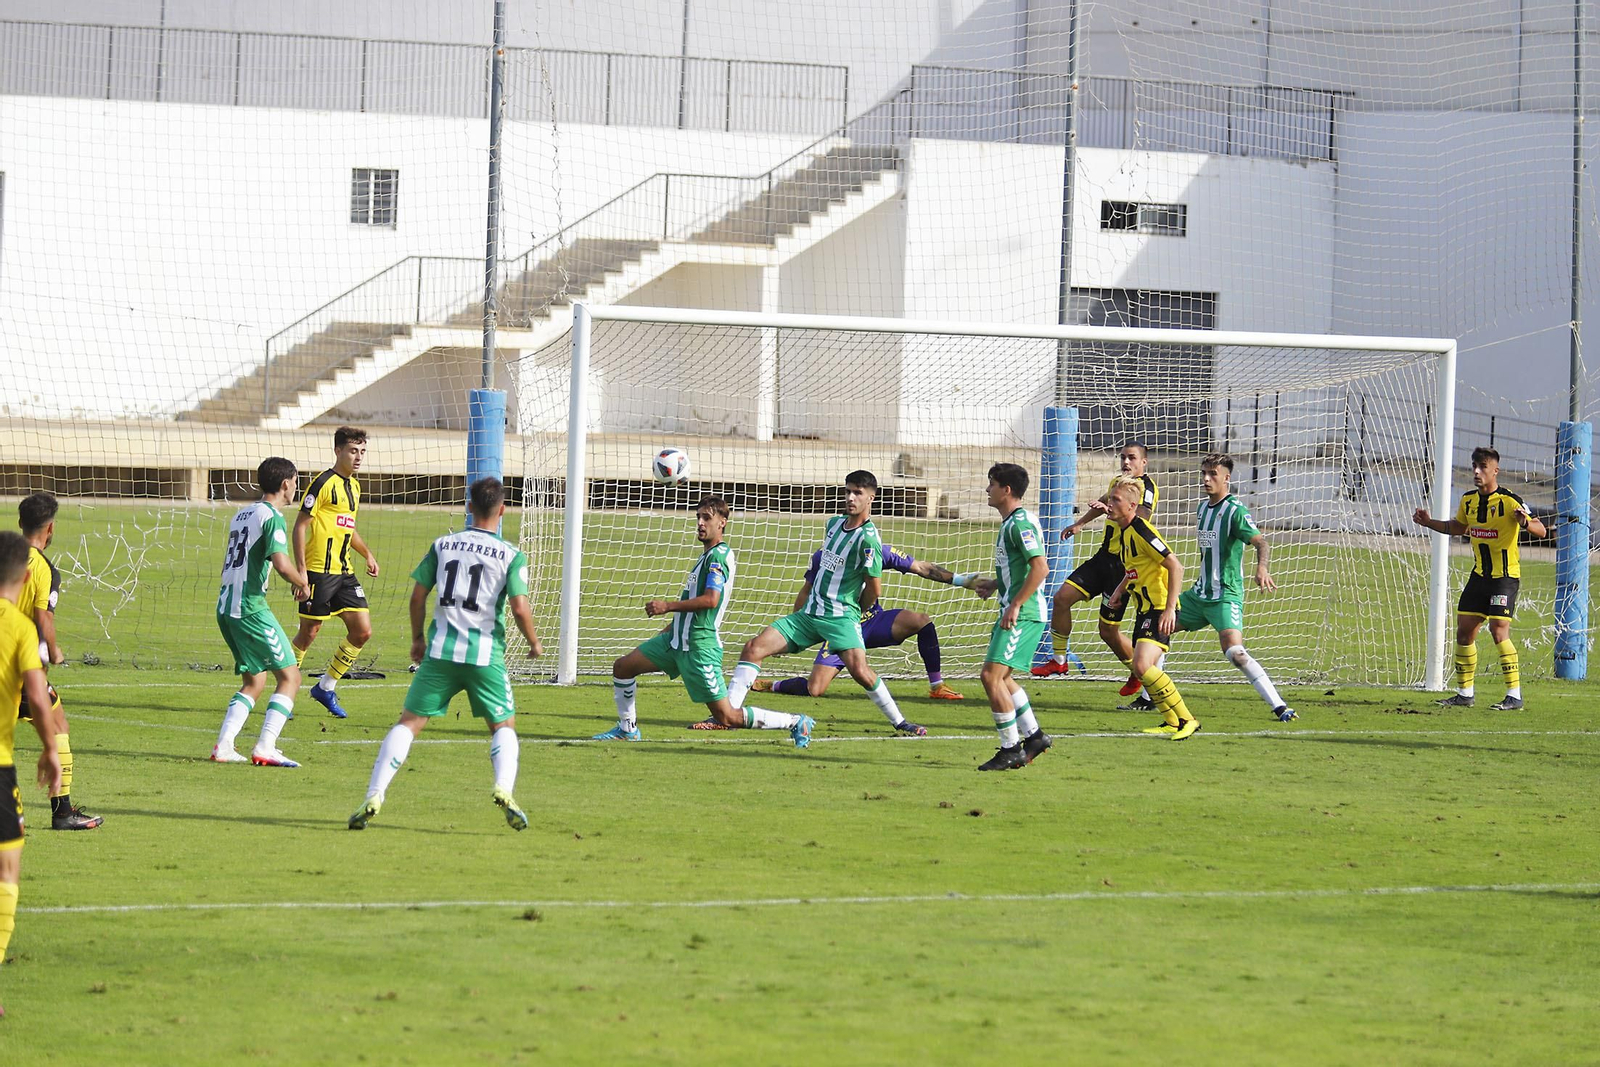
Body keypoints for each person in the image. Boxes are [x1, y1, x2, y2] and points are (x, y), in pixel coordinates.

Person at [349, 477, 542, 831]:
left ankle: (375, 793)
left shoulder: (443, 545)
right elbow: (519, 607)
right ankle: (503, 787)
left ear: (468, 506)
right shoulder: (512, 555)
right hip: (485, 657)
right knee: (503, 725)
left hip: (439, 653)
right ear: (502, 510)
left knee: (409, 723)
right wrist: (533, 643)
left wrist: (417, 639)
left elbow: (417, 596)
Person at [724, 471, 910, 746]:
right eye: (848, 491)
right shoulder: (833, 525)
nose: (850, 497)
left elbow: (874, 589)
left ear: (871, 498)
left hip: (840, 618)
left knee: (860, 671)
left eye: (857, 493)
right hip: (809, 616)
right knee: (754, 648)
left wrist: (854, 612)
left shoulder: (868, 540)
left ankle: (900, 722)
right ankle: (726, 717)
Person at [747, 543, 976, 706]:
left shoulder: (874, 549)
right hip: (839, 628)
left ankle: (937, 686)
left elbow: (922, 567)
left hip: (872, 621)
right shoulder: (823, 556)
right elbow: (806, 591)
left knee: (921, 621)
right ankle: (773, 685)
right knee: (814, 689)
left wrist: (964, 581)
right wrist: (791, 632)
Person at [1413, 446, 1546, 710]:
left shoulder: (1510, 501)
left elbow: (1541, 530)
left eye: (1482, 467)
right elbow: (1458, 527)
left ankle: (1515, 695)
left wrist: (1524, 522)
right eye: (1474, 465)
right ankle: (1464, 694)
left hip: (1504, 578)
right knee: (1464, 633)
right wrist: (1429, 523)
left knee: (1498, 630)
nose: (1476, 471)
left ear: (1495, 470)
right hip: (1479, 577)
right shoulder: (1468, 501)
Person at [596, 496, 738, 741]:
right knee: (623, 667)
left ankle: (794, 722)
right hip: (675, 641)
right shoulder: (706, 556)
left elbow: (710, 600)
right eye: (698, 517)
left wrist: (667, 606)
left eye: (707, 518)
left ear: (722, 523)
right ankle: (627, 730)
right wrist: (668, 630)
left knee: (727, 717)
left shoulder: (718, 557)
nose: (701, 523)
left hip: (698, 646)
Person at [1033, 443, 1161, 711]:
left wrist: (1109, 509)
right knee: (1061, 598)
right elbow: (1106, 499)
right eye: (1123, 457)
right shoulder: (1119, 481)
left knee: (1108, 632)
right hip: (1103, 558)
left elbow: (1140, 519)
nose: (1126, 461)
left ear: (1144, 462)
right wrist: (1080, 523)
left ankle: (1140, 674)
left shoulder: (1145, 489)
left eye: (1132, 458)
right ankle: (1059, 659)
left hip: (1123, 566)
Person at [1169, 455, 1296, 722]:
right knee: (1157, 629)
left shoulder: (1235, 511)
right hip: (1198, 595)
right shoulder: (1202, 509)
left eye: (1213, 473)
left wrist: (1261, 568)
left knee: (1235, 654)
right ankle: (1149, 699)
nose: (1206, 478)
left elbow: (1261, 542)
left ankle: (1280, 706)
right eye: (1203, 473)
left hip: (1225, 596)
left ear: (1226, 478)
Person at [0, 530, 65, 1020]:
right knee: (6, 869)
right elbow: (38, 698)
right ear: (24, 576)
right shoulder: (20, 628)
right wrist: (48, 747)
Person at [211, 458, 313, 767]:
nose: (296, 488)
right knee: (291, 676)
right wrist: (303, 584)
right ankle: (266, 746)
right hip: (250, 608)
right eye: (295, 482)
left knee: (254, 681)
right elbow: (281, 564)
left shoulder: (242, 514)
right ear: (285, 484)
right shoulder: (272, 517)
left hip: (226, 606)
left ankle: (224, 746)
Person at [15, 493, 100, 829]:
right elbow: (42, 617)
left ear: (21, 523)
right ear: (49, 529)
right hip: (19, 665)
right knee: (58, 726)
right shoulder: (43, 568)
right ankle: (62, 813)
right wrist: (54, 650)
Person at [1104, 476, 1200, 740]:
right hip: (1144, 607)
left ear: (1132, 505)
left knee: (1144, 665)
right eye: (1109, 498)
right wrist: (1120, 590)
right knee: (1140, 666)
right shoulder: (1124, 532)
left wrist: (1170, 609)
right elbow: (1134, 568)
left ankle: (1187, 719)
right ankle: (1171, 721)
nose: (1109, 504)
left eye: (1115, 500)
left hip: (1159, 607)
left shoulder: (1142, 530)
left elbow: (1175, 565)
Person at [970, 463, 1052, 771]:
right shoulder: (1012, 523)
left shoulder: (1020, 524)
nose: (987, 490)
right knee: (1003, 678)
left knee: (991, 677)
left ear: (1006, 490)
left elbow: (1040, 567)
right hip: (1018, 609)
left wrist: (1016, 605)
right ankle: (1034, 736)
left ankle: (1010, 749)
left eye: (991, 484)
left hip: (1024, 613)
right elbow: (1021, 568)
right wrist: (996, 584)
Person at [293, 426, 379, 718]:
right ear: (338, 451)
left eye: (362, 451)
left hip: (344, 572)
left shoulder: (354, 487)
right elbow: (300, 526)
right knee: (308, 634)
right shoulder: (322, 483)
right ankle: (284, 695)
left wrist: (367, 554)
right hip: (317, 572)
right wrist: (301, 573)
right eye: (353, 451)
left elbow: (347, 527)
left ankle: (325, 688)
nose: (358, 457)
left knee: (362, 631)